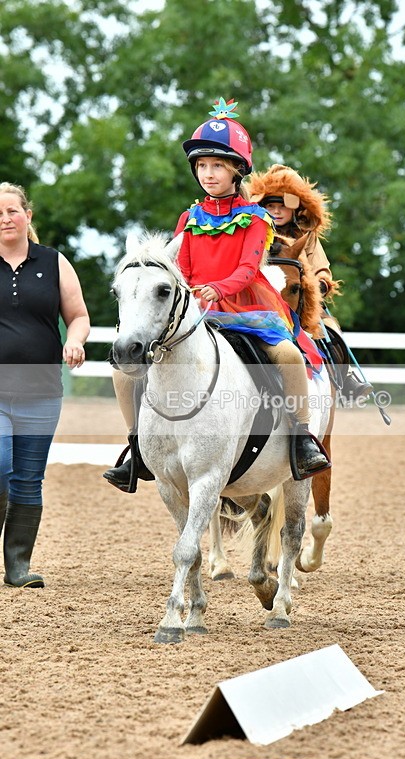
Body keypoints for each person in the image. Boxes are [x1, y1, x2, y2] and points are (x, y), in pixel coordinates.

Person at [103, 98, 330, 490]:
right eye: (202, 166)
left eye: (217, 166)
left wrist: (215, 289)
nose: (208, 174)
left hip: (245, 305)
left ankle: (301, 439)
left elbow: (246, 270)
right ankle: (137, 446)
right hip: (192, 308)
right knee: (123, 371)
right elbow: (182, 269)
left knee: (289, 355)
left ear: (236, 169)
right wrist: (189, 292)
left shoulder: (257, 219)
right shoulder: (190, 217)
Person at [0, 181, 90, 587]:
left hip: (42, 391)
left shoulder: (53, 262)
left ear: (27, 215)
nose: (5, 219)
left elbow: (79, 315)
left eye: (12, 211)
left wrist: (74, 340)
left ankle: (18, 567)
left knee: (28, 477)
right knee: (1, 467)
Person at [248, 164, 373, 400]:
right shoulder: (255, 232)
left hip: (302, 302)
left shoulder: (308, 236)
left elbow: (321, 269)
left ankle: (344, 379)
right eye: (270, 206)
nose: (276, 211)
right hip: (261, 302)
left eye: (282, 206)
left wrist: (318, 286)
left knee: (332, 329)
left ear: (294, 209)